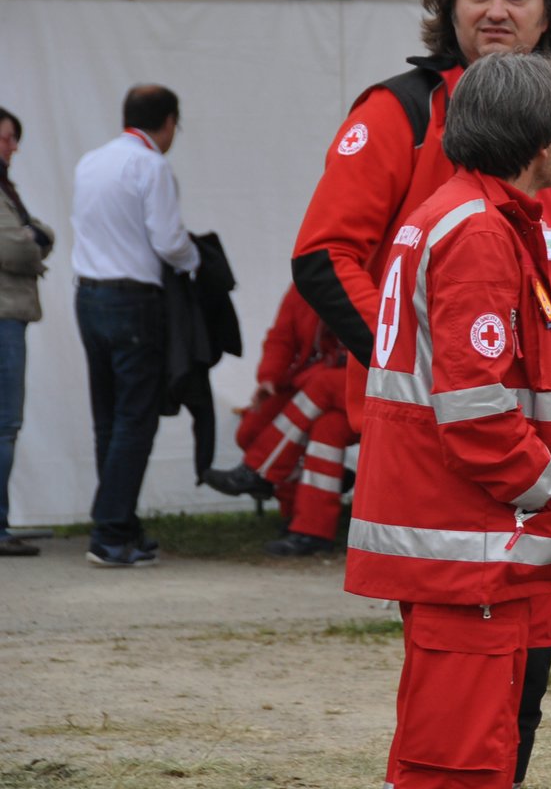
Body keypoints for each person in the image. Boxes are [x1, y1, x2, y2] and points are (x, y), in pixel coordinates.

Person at [291, 0, 551, 789]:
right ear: (448, 5)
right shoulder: (403, 110)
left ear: (547, 10)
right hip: (471, 465)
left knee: (512, 705)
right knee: (462, 710)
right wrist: (422, 364)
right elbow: (325, 257)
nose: (494, 9)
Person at [344, 51, 551, 789]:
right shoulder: (476, 231)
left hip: (467, 544)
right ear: (543, 140)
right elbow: (477, 417)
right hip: (472, 543)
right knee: (456, 765)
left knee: (457, 753)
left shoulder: (457, 213)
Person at [72, 85, 200, 568]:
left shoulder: (91, 160)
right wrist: (196, 262)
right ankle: (109, 531)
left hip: (89, 294)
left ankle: (120, 524)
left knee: (108, 417)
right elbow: (168, 241)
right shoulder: (151, 166)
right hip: (133, 300)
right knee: (135, 419)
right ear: (168, 121)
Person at [202, 284, 352, 556]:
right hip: (317, 384)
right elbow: (281, 337)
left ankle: (261, 474)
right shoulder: (308, 281)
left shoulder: (378, 276)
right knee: (252, 430)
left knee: (323, 389)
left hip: (365, 388)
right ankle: (303, 521)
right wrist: (269, 377)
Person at [0, 107, 53, 557]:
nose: (13, 148)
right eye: (6, 138)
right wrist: (34, 238)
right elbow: (15, 246)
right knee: (4, 424)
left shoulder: (6, 189)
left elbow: (34, 234)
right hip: (3, 316)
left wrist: (33, 235)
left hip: (9, 313)